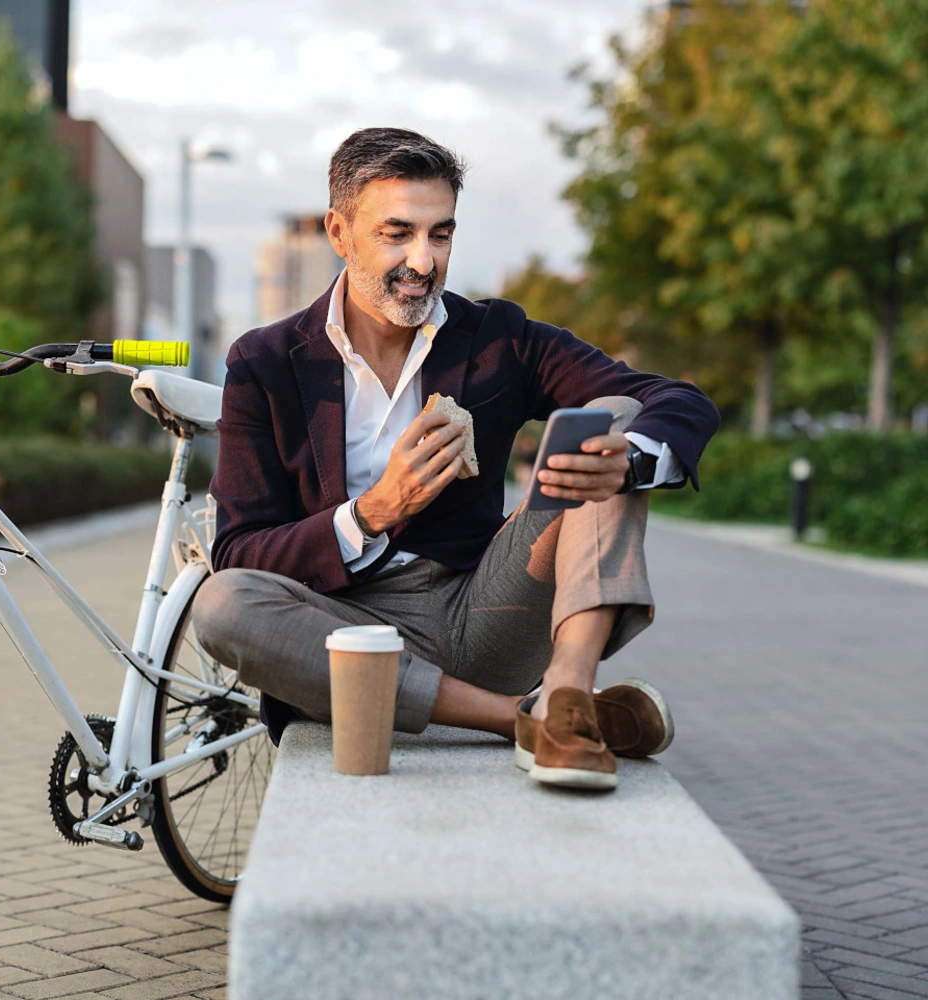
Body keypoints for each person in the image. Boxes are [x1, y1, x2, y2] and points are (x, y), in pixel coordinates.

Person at [192, 127, 720, 791]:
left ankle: (566, 692)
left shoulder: (499, 339)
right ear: (339, 231)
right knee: (219, 602)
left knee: (609, 426)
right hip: (345, 634)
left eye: (440, 234)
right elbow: (241, 553)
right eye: (397, 233)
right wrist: (375, 510)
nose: (423, 260)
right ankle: (527, 720)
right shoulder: (264, 362)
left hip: (487, 609)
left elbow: (674, 400)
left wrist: (631, 462)